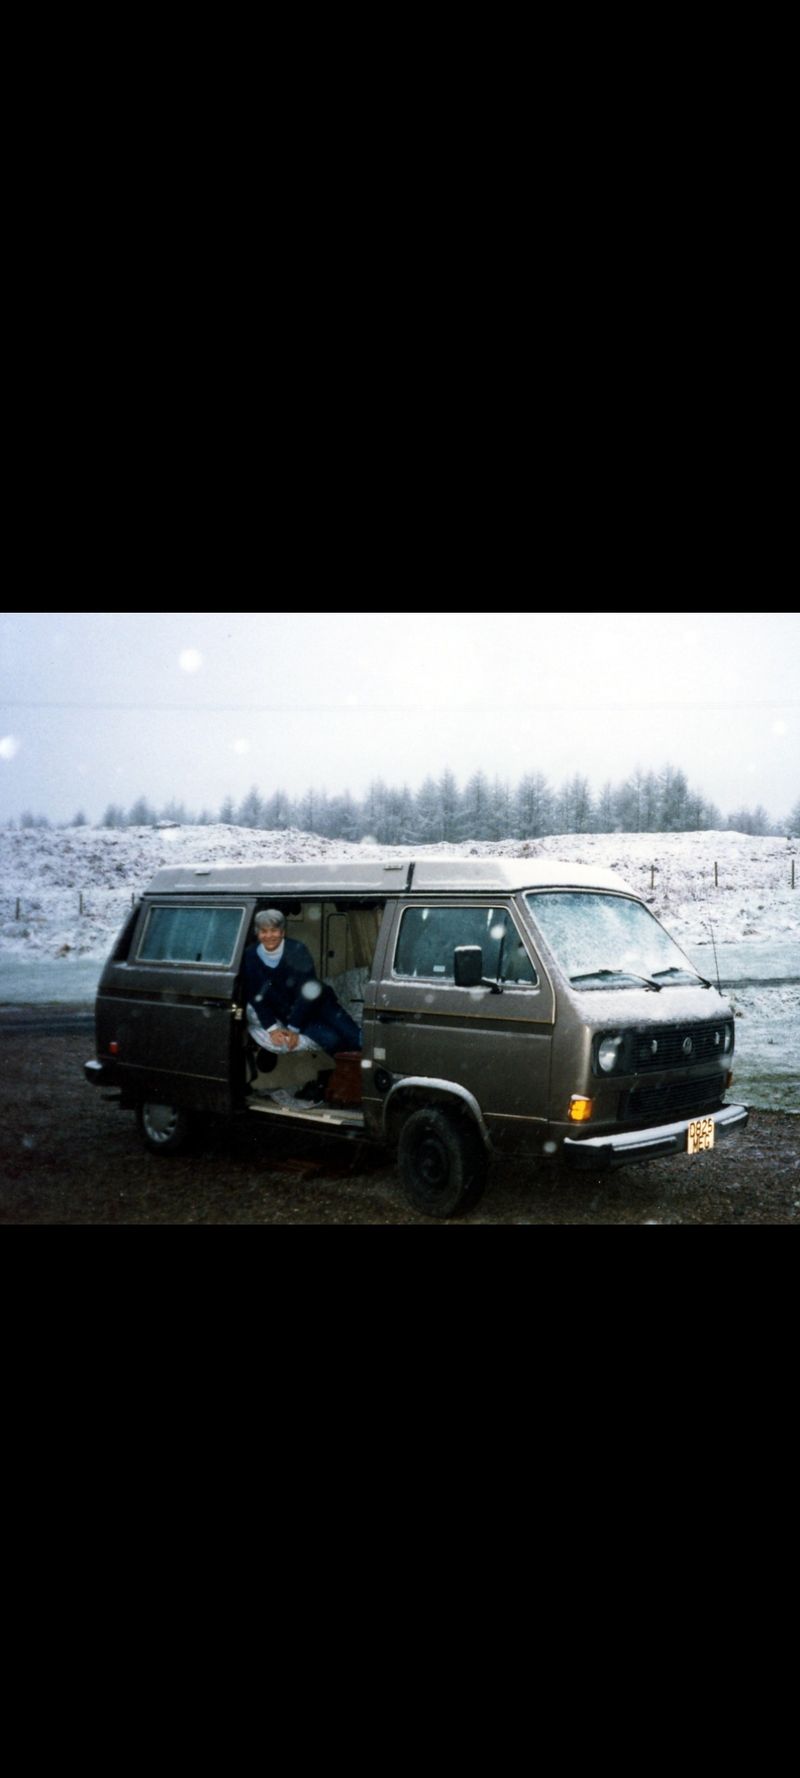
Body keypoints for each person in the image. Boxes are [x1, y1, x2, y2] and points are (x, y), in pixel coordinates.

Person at [242, 908, 363, 1059]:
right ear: (257, 934)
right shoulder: (250, 956)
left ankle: (368, 1070)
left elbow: (307, 991)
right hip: (290, 1013)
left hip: (320, 1003)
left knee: (354, 1036)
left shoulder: (297, 950)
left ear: (282, 932)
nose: (269, 936)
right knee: (332, 1041)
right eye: (263, 931)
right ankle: (350, 1072)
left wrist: (293, 1028)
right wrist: (272, 1028)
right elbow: (256, 997)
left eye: (274, 930)